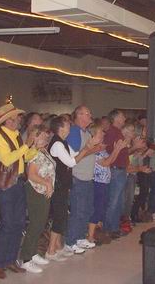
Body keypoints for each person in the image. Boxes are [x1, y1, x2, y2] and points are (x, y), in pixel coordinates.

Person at [0, 103, 43, 279]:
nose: (19, 120)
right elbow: (7, 159)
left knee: (18, 223)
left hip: (17, 182)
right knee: (8, 223)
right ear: (8, 121)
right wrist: (27, 145)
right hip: (5, 185)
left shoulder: (16, 134)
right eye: (16, 118)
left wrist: (34, 148)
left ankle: (10, 260)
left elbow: (24, 157)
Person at [47, 115, 100, 260]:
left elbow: (76, 154)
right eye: (67, 125)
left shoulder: (62, 142)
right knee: (59, 216)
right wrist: (88, 148)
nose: (70, 127)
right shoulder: (57, 144)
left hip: (63, 184)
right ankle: (51, 251)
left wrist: (89, 147)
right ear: (60, 128)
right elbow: (71, 162)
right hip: (57, 185)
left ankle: (57, 247)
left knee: (62, 215)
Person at [65, 106, 104, 253]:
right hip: (78, 176)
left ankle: (80, 238)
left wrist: (94, 147)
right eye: (87, 114)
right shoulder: (75, 131)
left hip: (87, 177)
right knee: (78, 211)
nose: (90, 116)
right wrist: (92, 147)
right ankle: (70, 242)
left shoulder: (86, 132)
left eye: (89, 113)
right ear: (79, 116)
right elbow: (74, 156)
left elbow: (87, 151)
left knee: (87, 210)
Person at [103, 109, 145, 238]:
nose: (124, 118)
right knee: (114, 201)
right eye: (122, 116)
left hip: (120, 169)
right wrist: (134, 148)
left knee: (119, 201)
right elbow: (113, 152)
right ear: (115, 118)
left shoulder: (117, 133)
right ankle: (108, 229)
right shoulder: (112, 133)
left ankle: (114, 227)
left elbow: (123, 152)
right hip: (116, 169)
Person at [19, 125, 54, 273]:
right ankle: (26, 259)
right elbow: (31, 175)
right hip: (36, 190)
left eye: (47, 136)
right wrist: (46, 183)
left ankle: (33, 253)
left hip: (44, 190)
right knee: (35, 224)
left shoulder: (42, 151)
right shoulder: (32, 153)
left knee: (40, 224)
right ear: (34, 137)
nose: (46, 138)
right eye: (42, 136)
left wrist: (48, 182)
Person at [86, 123, 125, 244]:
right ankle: (90, 236)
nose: (103, 133)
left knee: (102, 207)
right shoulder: (95, 149)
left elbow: (110, 160)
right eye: (100, 132)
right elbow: (106, 163)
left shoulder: (101, 148)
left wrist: (116, 150)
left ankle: (96, 233)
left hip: (104, 182)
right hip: (97, 182)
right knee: (97, 208)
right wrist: (117, 149)